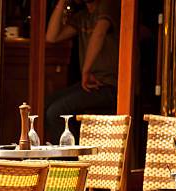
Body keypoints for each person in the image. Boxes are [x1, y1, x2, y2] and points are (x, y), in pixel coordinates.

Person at [45, 0, 121, 142]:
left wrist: (85, 71)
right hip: (91, 84)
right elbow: (51, 37)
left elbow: (99, 33)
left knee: (56, 112)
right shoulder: (83, 17)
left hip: (110, 85)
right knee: (46, 104)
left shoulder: (108, 7)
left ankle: (70, 162)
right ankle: (69, 154)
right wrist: (62, 2)